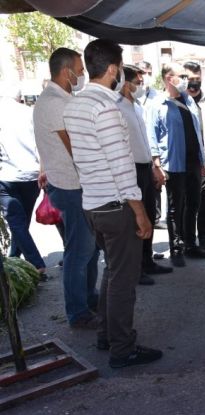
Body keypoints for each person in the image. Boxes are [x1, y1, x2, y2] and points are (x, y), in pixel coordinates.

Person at [63, 38, 161, 369]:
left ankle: (107, 334)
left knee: (113, 273)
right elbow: (121, 166)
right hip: (116, 206)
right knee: (123, 279)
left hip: (93, 204)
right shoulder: (106, 109)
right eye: (120, 69)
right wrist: (140, 212)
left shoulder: (75, 104)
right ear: (113, 69)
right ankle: (122, 348)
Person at [33, 47, 100, 329]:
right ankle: (78, 311)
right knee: (79, 251)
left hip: (75, 184)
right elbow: (75, 147)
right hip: (71, 186)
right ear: (66, 71)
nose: (83, 73)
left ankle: (87, 299)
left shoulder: (61, 99)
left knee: (90, 249)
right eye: (80, 68)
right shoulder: (53, 102)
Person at [147, 63, 205, 268]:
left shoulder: (188, 100)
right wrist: (157, 164)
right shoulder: (158, 104)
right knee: (175, 207)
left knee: (193, 204)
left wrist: (203, 160)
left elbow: (197, 131)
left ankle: (191, 244)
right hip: (173, 163)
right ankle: (176, 248)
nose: (185, 79)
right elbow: (152, 136)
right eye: (180, 76)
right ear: (167, 78)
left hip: (193, 162)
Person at [117, 65, 173, 285]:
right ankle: (136, 269)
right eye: (137, 82)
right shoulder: (116, 107)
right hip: (129, 168)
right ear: (125, 82)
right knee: (134, 220)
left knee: (149, 214)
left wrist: (153, 166)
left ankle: (147, 260)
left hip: (144, 167)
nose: (141, 86)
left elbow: (145, 140)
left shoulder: (137, 106)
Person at [0, 82, 46, 278]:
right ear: (19, 97)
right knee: (21, 221)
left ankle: (36, 264)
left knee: (17, 223)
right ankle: (15, 258)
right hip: (31, 175)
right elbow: (41, 143)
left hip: (5, 176)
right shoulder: (30, 113)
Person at [183, 61, 205, 252]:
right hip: (184, 162)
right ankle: (185, 241)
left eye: (197, 79)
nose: (194, 83)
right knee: (185, 203)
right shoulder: (179, 101)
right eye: (189, 79)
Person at [137, 60, 165, 231]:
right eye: (142, 73)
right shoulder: (130, 96)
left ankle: (155, 217)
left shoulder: (157, 96)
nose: (145, 77)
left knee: (155, 188)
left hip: (153, 150)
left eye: (148, 72)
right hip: (138, 154)